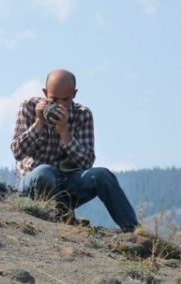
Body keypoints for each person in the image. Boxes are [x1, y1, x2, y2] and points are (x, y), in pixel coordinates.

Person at [10, 69, 137, 232]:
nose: (60, 105)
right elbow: (17, 152)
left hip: (66, 184)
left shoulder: (82, 115)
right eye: (54, 99)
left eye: (66, 99)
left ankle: (134, 231)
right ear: (45, 93)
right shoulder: (28, 107)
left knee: (102, 175)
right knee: (45, 172)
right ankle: (64, 217)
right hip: (33, 183)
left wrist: (65, 133)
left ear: (74, 94)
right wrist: (39, 123)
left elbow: (86, 162)